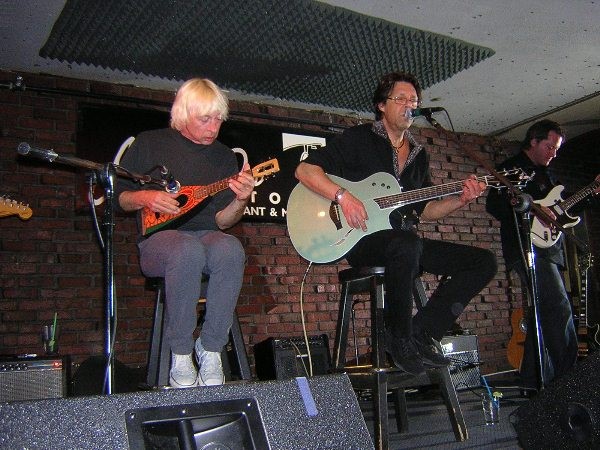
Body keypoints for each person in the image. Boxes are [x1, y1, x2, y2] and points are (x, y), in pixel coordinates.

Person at [294, 72, 497, 375]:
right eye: (400, 99)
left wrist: (461, 200)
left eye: (413, 101)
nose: (408, 105)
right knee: (407, 244)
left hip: (405, 244)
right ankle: (398, 337)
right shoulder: (358, 139)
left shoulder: (419, 155)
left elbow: (425, 211)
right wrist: (343, 197)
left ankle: (423, 334)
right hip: (363, 240)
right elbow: (304, 171)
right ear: (381, 105)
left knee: (483, 262)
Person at [116, 78, 255, 388]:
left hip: (206, 235)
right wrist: (146, 197)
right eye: (205, 118)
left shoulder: (222, 156)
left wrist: (242, 199)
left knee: (231, 248)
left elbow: (222, 221)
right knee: (185, 249)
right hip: (158, 243)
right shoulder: (150, 143)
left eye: (218, 119)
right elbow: (118, 197)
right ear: (182, 113)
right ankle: (179, 352)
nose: (213, 127)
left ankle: (210, 348)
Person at [486, 119, 600, 390]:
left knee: (544, 314)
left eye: (557, 149)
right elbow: (495, 205)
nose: (553, 153)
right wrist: (531, 209)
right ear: (533, 142)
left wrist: (592, 191)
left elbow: (566, 208)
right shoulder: (509, 169)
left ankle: (532, 381)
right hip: (526, 247)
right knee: (558, 309)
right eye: (549, 146)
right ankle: (571, 382)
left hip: (550, 250)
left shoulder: (548, 177)